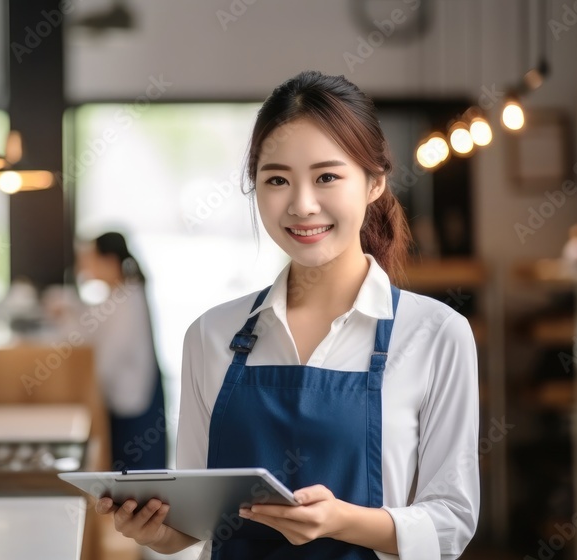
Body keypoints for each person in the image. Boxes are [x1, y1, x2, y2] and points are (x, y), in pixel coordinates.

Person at [94, 71, 480, 559]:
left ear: (375, 182)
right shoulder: (211, 334)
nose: (301, 204)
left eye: (327, 177)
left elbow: (451, 521)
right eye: (276, 179)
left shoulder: (436, 335)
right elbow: (194, 522)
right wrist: (155, 532)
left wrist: (342, 521)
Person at [75, 232, 168, 471]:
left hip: (134, 400)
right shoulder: (120, 295)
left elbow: (108, 357)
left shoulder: (126, 300)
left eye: (90, 258)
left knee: (135, 477)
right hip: (130, 396)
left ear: (109, 260)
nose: (84, 265)